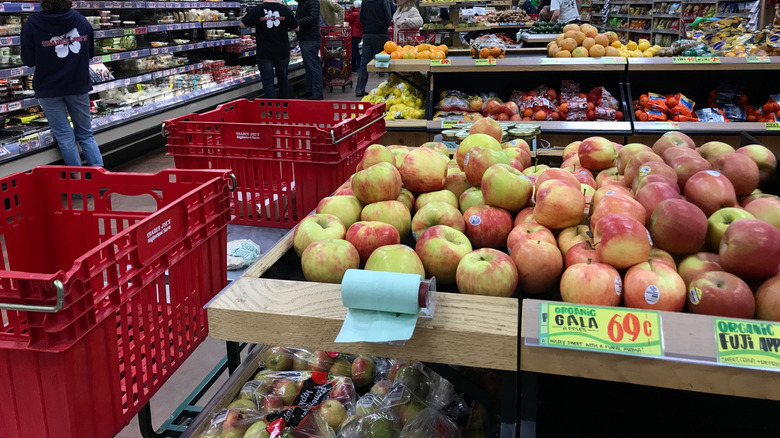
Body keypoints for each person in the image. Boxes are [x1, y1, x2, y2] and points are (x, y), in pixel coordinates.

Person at [20, 0, 103, 167]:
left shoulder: (32, 24)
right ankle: (100, 176)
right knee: (86, 135)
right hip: (77, 84)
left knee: (65, 137)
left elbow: (28, 60)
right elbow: (90, 53)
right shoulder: (80, 20)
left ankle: (76, 179)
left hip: (48, 88)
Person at [240, 0, 299, 99]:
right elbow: (297, 28)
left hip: (265, 52)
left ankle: (271, 106)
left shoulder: (258, 9)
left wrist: (249, 14)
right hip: (282, 51)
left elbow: (242, 25)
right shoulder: (284, 9)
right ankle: (284, 104)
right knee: (283, 79)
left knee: (268, 82)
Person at [355, 0, 392, 97]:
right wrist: (383, 27)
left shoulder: (365, 2)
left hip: (367, 35)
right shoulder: (383, 1)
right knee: (386, 61)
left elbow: (361, 17)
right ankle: (394, 86)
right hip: (381, 35)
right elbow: (388, 18)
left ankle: (359, 89)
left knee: (364, 64)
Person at [296, 0, 324, 99]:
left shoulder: (312, 2)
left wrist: (297, 22)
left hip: (311, 38)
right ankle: (310, 90)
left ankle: (317, 92)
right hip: (305, 38)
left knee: (313, 66)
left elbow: (313, 17)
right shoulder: (302, 2)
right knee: (308, 66)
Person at [345, 1, 363, 72]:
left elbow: (346, 18)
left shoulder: (354, 14)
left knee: (354, 51)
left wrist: (348, 10)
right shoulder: (360, 13)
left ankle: (357, 66)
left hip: (354, 34)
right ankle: (354, 67)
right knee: (354, 51)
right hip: (358, 34)